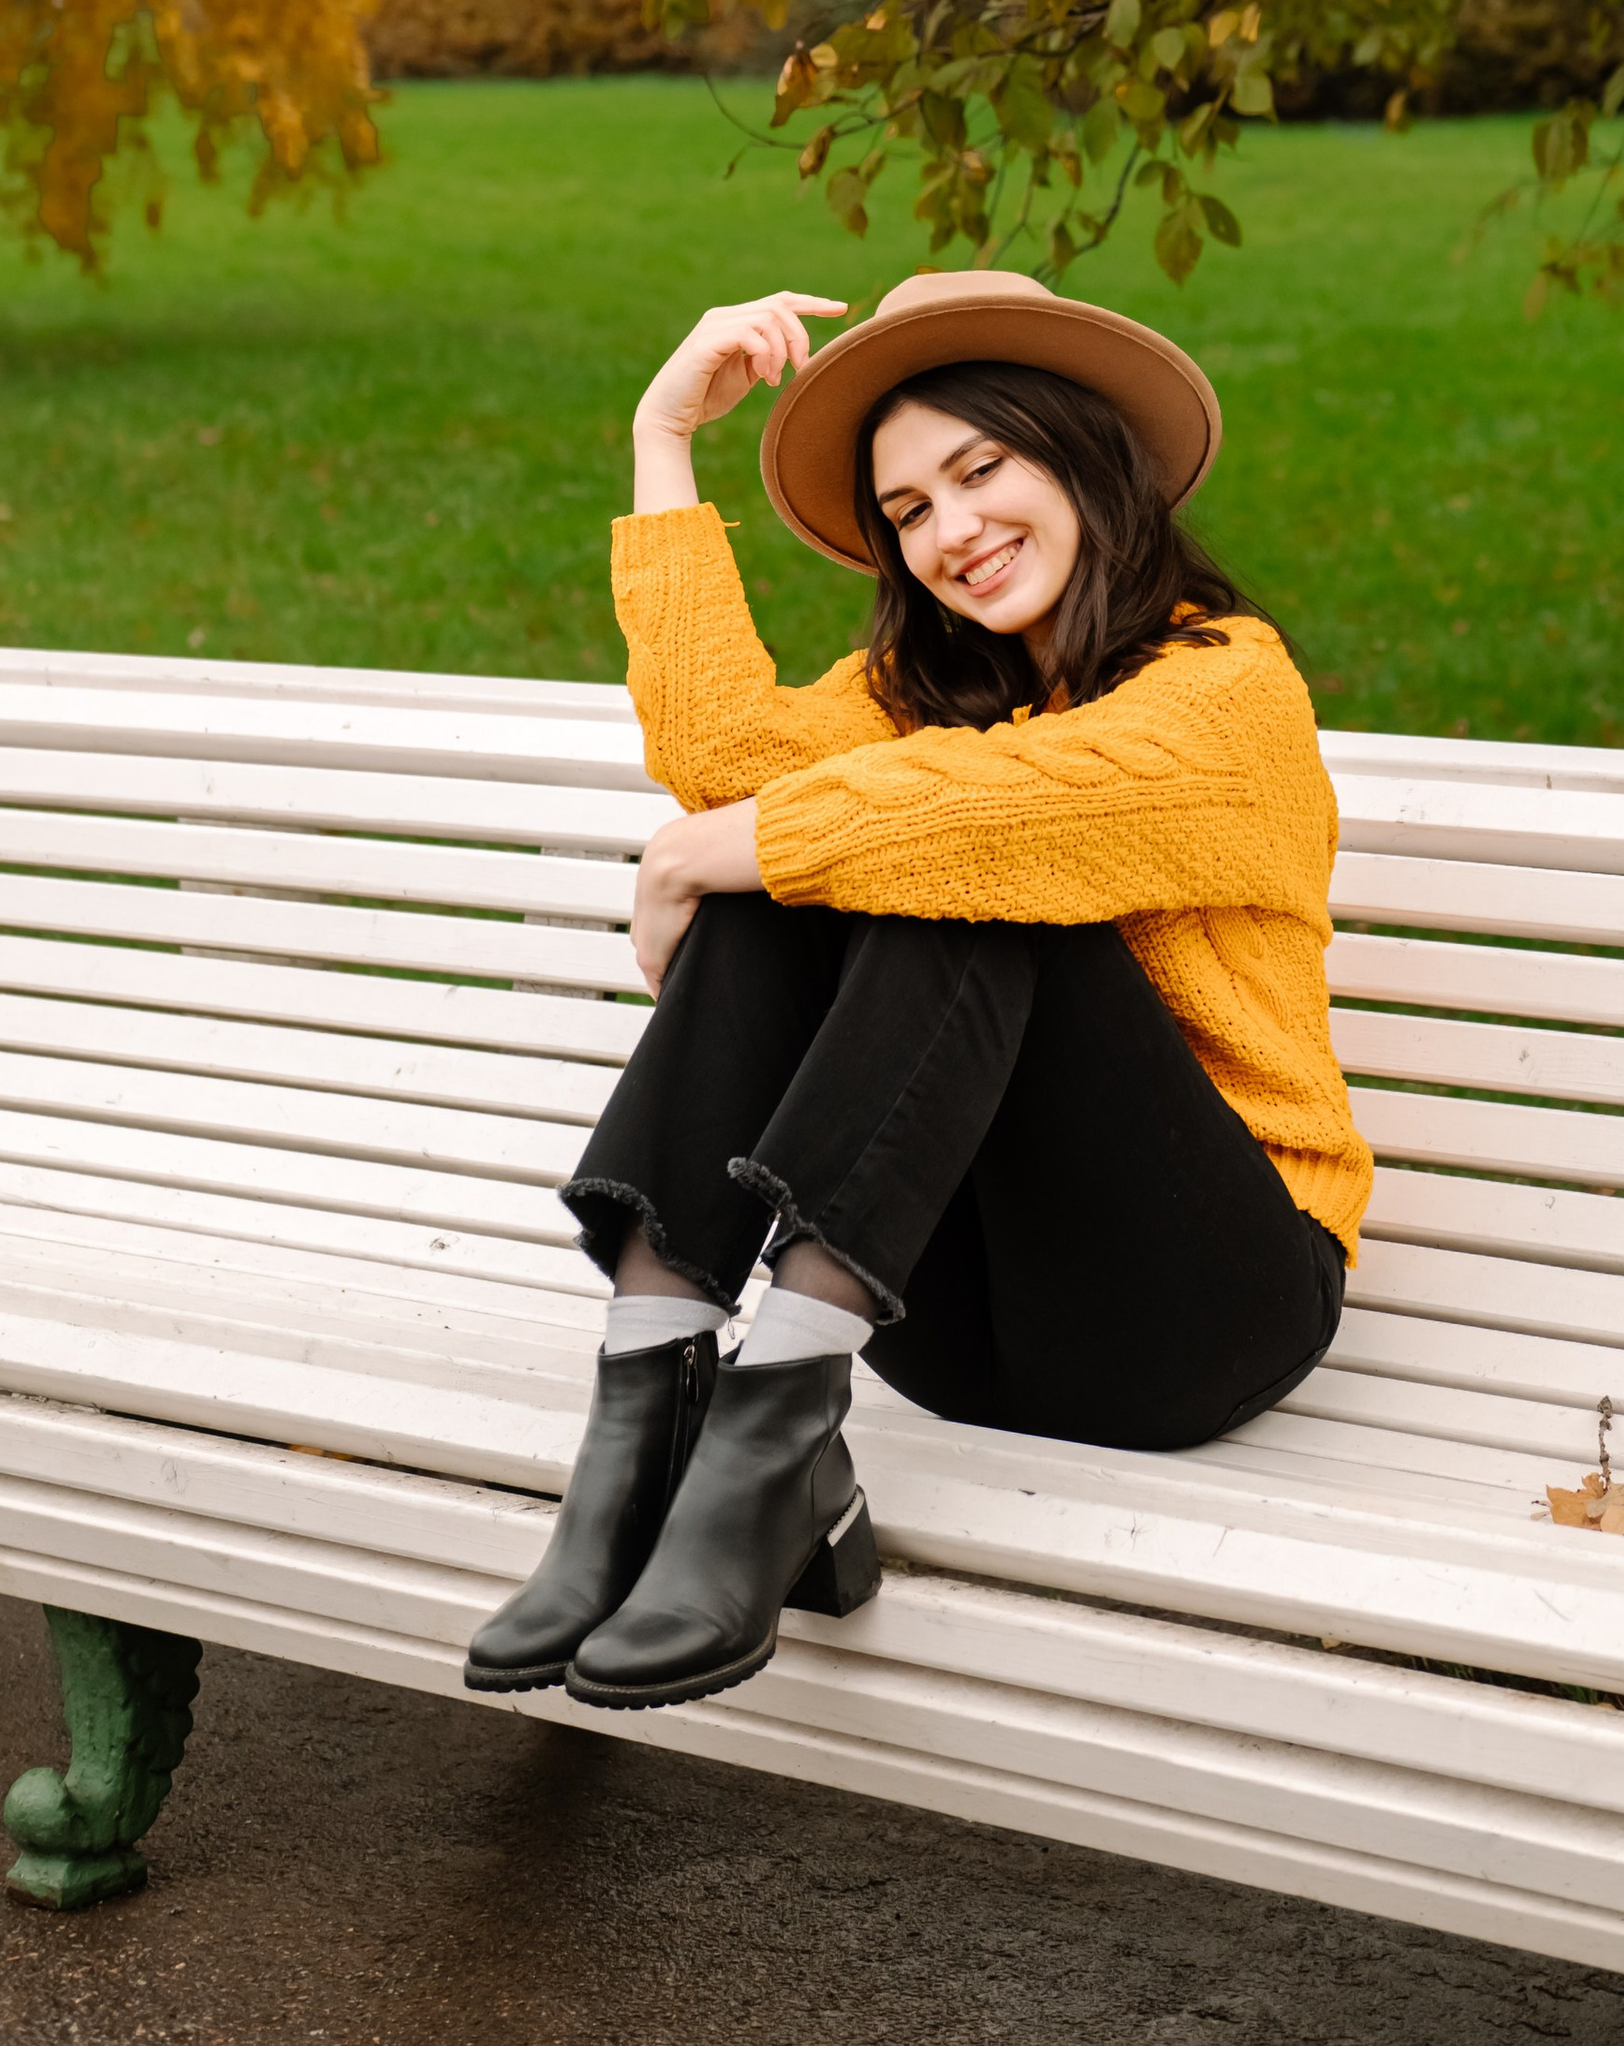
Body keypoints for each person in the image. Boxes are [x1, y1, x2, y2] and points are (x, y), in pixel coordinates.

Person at [464, 265, 1371, 1717]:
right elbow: (724, 760)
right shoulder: (925, 692)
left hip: (1206, 1306)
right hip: (943, 1330)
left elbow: (981, 819)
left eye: (979, 470)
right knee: (840, 842)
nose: (953, 534)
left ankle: (754, 1457)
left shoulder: (1230, 688)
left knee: (961, 861)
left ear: (1083, 452)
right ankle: (649, 1418)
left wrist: (706, 855)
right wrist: (661, 442)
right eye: (909, 513)